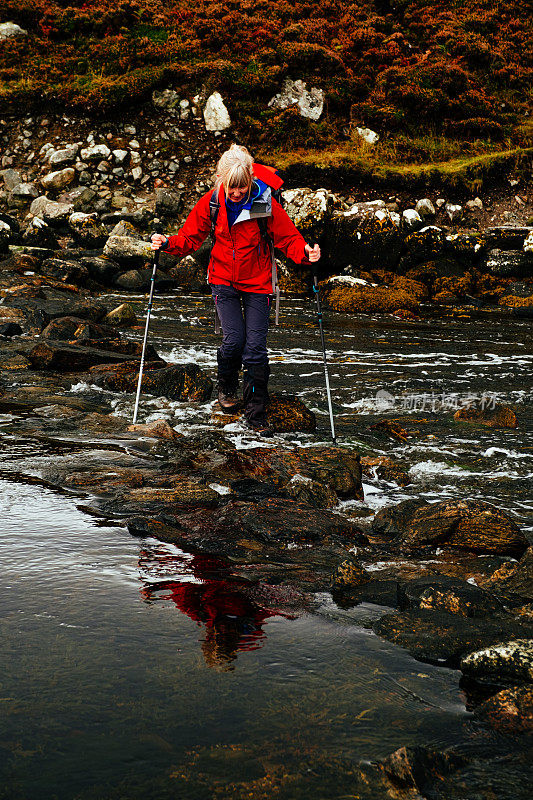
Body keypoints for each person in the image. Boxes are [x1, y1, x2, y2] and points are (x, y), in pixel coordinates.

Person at [151, 144, 320, 435]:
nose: (238, 193)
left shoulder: (264, 204)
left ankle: (256, 414)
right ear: (221, 180)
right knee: (233, 342)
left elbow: (288, 238)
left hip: (258, 282)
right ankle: (227, 387)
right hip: (223, 281)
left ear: (251, 181)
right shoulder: (212, 202)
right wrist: (166, 243)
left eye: (243, 187)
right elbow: (190, 238)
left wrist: (306, 252)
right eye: (233, 188)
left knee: (255, 350)